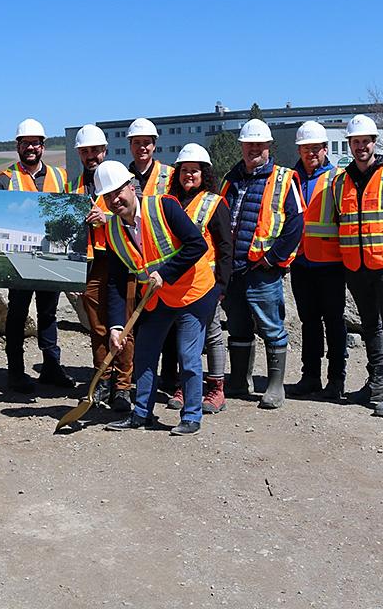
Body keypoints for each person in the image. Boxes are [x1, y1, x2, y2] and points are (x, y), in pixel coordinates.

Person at [96, 161, 213, 436]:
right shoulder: (112, 230)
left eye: (118, 192)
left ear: (130, 186)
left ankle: (192, 416)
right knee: (145, 354)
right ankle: (142, 414)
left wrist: (167, 272)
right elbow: (114, 281)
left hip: (191, 292)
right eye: (107, 196)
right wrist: (115, 325)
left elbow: (198, 244)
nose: (114, 200)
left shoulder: (165, 207)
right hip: (156, 298)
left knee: (188, 355)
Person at [316, 114, 383, 417]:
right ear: (349, 144)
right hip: (356, 266)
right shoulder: (339, 183)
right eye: (356, 142)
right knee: (369, 325)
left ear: (374, 143)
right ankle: (375, 382)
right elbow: (340, 222)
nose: (361, 146)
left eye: (365, 141)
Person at [219, 118, 304, 410]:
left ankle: (274, 386)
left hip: (263, 270)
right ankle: (239, 381)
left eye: (259, 144)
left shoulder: (284, 178)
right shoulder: (231, 179)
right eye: (249, 144)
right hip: (234, 269)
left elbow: (296, 223)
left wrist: (273, 258)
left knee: (271, 327)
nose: (254, 149)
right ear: (242, 146)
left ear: (269, 147)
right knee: (238, 327)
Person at [0, 118, 74, 393]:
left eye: (35, 143)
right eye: (25, 143)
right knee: (16, 314)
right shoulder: (4, 179)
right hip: (20, 260)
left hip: (51, 257)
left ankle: (51, 366)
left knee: (48, 313)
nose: (30, 148)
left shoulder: (60, 176)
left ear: (43, 146)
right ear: (18, 146)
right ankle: (15, 371)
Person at [165, 144, 233, 414]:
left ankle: (217, 389)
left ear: (204, 174)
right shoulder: (170, 201)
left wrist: (222, 285)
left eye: (194, 171)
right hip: (178, 283)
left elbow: (227, 247)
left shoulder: (214, 203)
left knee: (213, 334)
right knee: (184, 335)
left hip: (207, 283)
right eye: (184, 171)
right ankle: (187, 385)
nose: (188, 176)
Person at [71, 124, 133, 412]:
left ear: (105, 150)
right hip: (92, 263)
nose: (91, 156)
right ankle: (103, 378)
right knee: (97, 326)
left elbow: (133, 213)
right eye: (85, 151)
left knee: (124, 325)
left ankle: (123, 386)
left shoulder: (119, 178)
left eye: (95, 150)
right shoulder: (76, 187)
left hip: (121, 259)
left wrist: (106, 216)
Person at [288, 121, 349, 400]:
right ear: (299, 150)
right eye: (305, 149)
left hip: (332, 264)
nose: (311, 153)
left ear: (325, 149)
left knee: (334, 323)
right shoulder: (290, 179)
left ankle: (336, 379)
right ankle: (310, 376)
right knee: (309, 322)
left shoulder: (338, 179)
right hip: (302, 263)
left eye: (316, 148)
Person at [125, 118, 174, 196]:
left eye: (146, 143)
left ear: (154, 146)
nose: (141, 147)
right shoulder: (123, 177)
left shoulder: (171, 174)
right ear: (130, 146)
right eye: (137, 142)